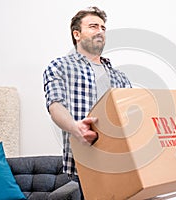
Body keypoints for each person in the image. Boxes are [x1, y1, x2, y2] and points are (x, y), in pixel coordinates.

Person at [43, 6, 132, 199]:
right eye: (93, 26)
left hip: (121, 163)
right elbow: (55, 105)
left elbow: (130, 114)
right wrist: (75, 128)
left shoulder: (120, 76)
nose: (100, 31)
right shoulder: (60, 66)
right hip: (85, 165)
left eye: (103, 27)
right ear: (77, 34)